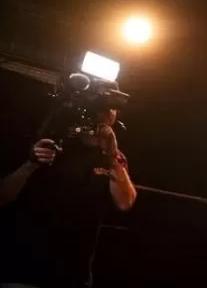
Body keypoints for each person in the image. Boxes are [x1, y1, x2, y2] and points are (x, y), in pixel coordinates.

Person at [0, 108, 137, 288]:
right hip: (23, 271)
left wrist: (112, 156)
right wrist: (31, 164)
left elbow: (125, 202)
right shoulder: (50, 139)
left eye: (112, 105)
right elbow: (3, 196)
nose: (105, 111)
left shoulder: (113, 157)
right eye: (102, 103)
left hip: (74, 277)